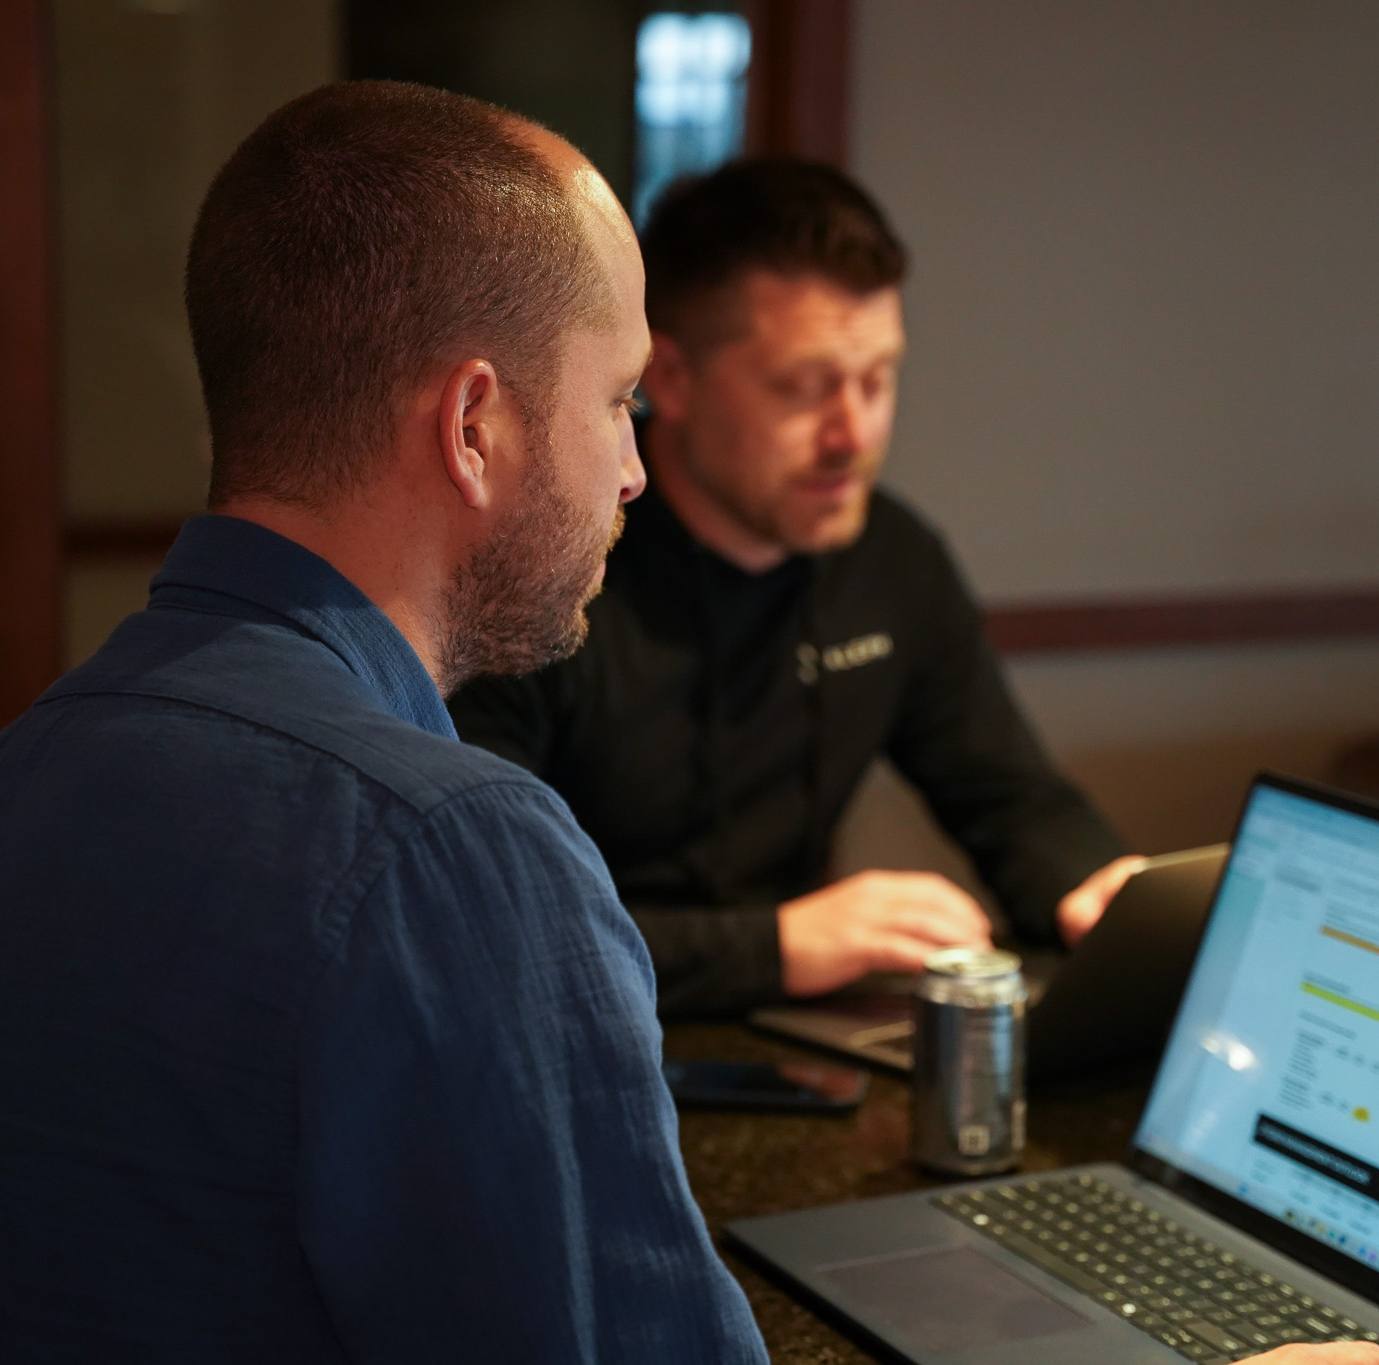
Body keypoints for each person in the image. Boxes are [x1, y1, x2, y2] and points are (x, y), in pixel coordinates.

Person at [0, 82, 767, 1360]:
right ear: (473, 424)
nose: (636, 469)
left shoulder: (13, 778)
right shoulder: (454, 852)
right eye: (617, 401)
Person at [448, 160, 1152, 1018]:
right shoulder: (546, 571)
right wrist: (779, 946)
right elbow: (488, 919)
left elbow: (1010, 796)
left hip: (796, 1047)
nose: (851, 436)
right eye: (804, 388)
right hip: (566, 1040)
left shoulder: (891, 559)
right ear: (665, 379)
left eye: (878, 379)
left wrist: (1107, 896)